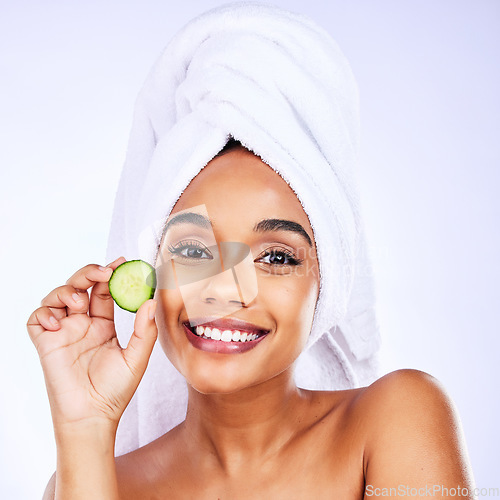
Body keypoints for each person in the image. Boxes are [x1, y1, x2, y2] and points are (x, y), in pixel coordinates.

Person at [27, 4, 475, 498]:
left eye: (277, 257)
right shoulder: (92, 482)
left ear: (325, 286)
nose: (224, 288)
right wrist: (85, 427)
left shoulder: (395, 420)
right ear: (153, 275)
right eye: (194, 250)